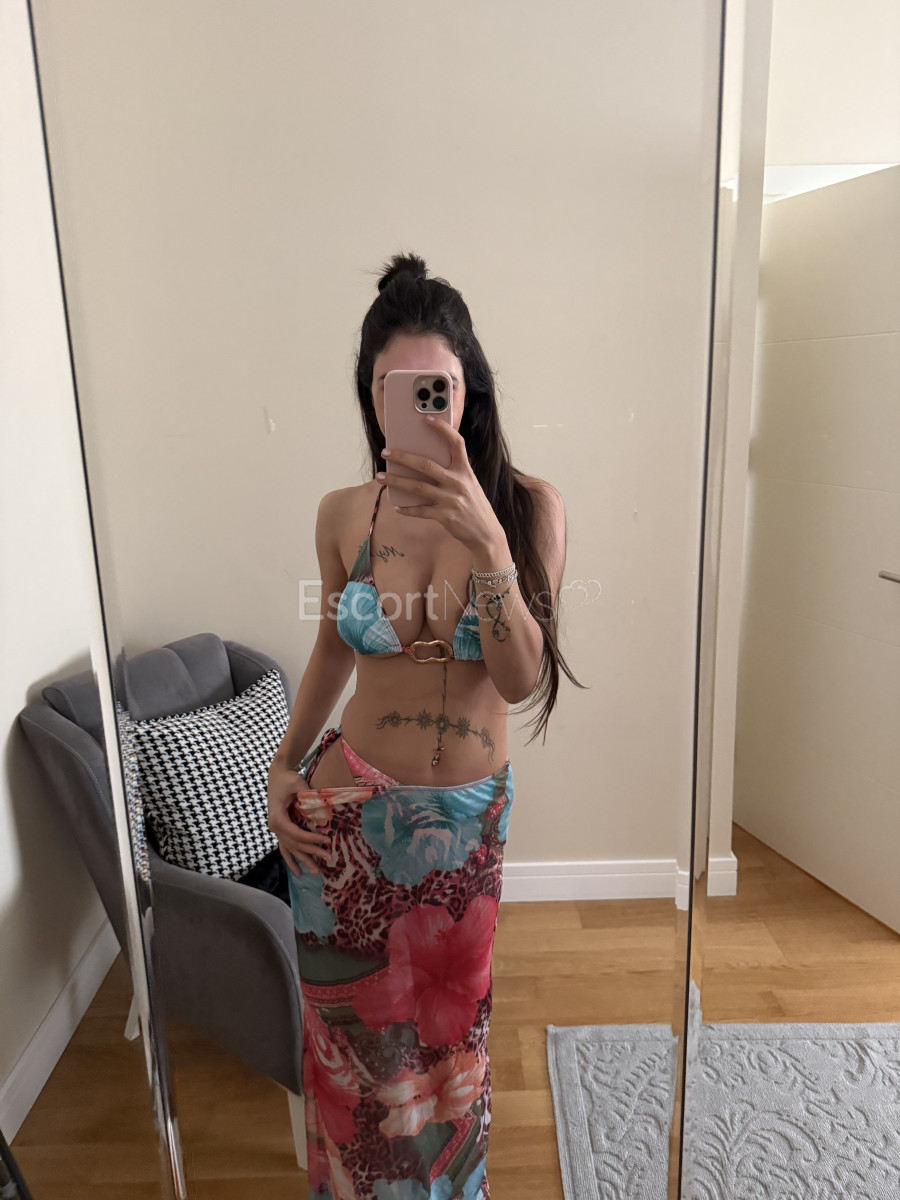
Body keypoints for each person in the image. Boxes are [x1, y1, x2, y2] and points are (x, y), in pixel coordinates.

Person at [266, 254, 580, 1200]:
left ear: (467, 387)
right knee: (353, 1074)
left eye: (433, 386)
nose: (409, 406)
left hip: (465, 833)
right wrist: (282, 768)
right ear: (371, 397)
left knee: (450, 1060)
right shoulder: (341, 515)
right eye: (388, 387)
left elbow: (520, 677)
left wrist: (488, 541)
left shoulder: (528, 509)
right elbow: (331, 654)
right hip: (346, 821)